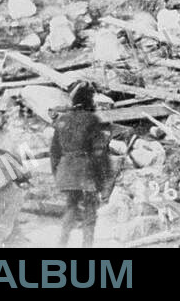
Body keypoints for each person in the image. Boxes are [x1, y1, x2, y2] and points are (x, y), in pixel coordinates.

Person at [51, 82, 110, 248]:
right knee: (90, 209)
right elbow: (99, 151)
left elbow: (54, 152)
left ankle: (61, 244)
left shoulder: (62, 120)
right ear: (89, 100)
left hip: (66, 170)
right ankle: (87, 245)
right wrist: (104, 176)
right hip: (86, 170)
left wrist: (56, 173)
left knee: (71, 207)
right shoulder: (91, 120)